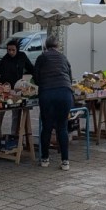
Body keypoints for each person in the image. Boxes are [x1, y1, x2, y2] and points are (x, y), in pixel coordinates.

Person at [32, 36, 74, 170]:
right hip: (65, 93)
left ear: (46, 46)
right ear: (57, 47)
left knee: (47, 127)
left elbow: (36, 78)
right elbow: (70, 77)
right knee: (62, 127)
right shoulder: (63, 58)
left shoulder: (41, 58)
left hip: (48, 94)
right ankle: (65, 162)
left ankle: (45, 159)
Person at [0, 39, 35, 146]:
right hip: (6, 90)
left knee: (16, 114)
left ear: (17, 49)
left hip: (18, 90)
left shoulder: (22, 56)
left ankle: (14, 136)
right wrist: (4, 88)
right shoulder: (4, 60)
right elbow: (2, 76)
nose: (11, 52)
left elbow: (31, 68)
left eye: (13, 50)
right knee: (0, 112)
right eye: (9, 50)